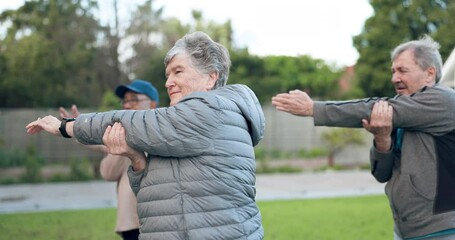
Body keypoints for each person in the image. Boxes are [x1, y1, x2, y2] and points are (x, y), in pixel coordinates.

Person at [26, 31, 265, 240]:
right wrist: (137, 161)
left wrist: (66, 127)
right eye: (167, 75)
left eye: (178, 71)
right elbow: (159, 196)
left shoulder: (211, 110)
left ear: (211, 77)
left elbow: (131, 122)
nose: (169, 82)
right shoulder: (182, 127)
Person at [272, 35, 455, 239]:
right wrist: (382, 139)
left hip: (442, 231)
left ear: (429, 74)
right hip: (405, 231)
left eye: (403, 70)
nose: (395, 78)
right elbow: (382, 174)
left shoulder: (443, 100)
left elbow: (370, 107)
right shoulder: (403, 111)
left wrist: (313, 108)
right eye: (393, 71)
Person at [59, 79, 159, 240]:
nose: (126, 105)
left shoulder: (159, 133)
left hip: (151, 223)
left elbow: (108, 172)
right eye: (125, 100)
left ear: (153, 104)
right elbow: (100, 142)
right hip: (129, 224)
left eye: (133, 99)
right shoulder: (123, 132)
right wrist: (78, 127)